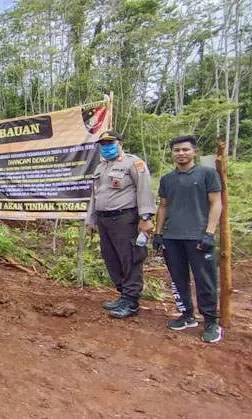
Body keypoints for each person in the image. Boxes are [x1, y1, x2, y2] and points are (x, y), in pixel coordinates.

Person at [153, 135, 223, 343]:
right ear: (172, 153)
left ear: (195, 151)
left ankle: (211, 322)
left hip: (198, 237)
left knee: (205, 281)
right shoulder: (167, 179)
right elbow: (163, 206)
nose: (181, 153)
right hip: (172, 237)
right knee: (178, 279)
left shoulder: (207, 174)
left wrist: (210, 232)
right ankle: (187, 315)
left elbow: (216, 203)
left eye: (185, 150)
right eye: (177, 150)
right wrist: (158, 233)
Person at [85, 131, 156, 318]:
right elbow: (95, 195)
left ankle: (131, 302)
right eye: (103, 144)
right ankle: (123, 295)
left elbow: (144, 189)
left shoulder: (133, 163)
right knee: (111, 258)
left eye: (110, 143)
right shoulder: (100, 167)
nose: (106, 147)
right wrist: (91, 220)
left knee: (130, 258)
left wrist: (146, 217)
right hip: (104, 220)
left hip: (125, 219)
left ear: (120, 143)